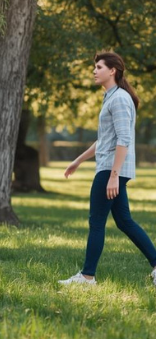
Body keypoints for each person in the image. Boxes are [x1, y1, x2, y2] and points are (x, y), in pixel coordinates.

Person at [60, 51, 156, 287]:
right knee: (124, 221)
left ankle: (87, 277)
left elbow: (123, 139)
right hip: (110, 168)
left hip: (110, 170)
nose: (94, 71)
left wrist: (114, 176)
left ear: (112, 70)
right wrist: (78, 160)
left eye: (99, 67)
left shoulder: (120, 99)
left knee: (96, 222)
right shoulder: (111, 97)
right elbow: (105, 140)